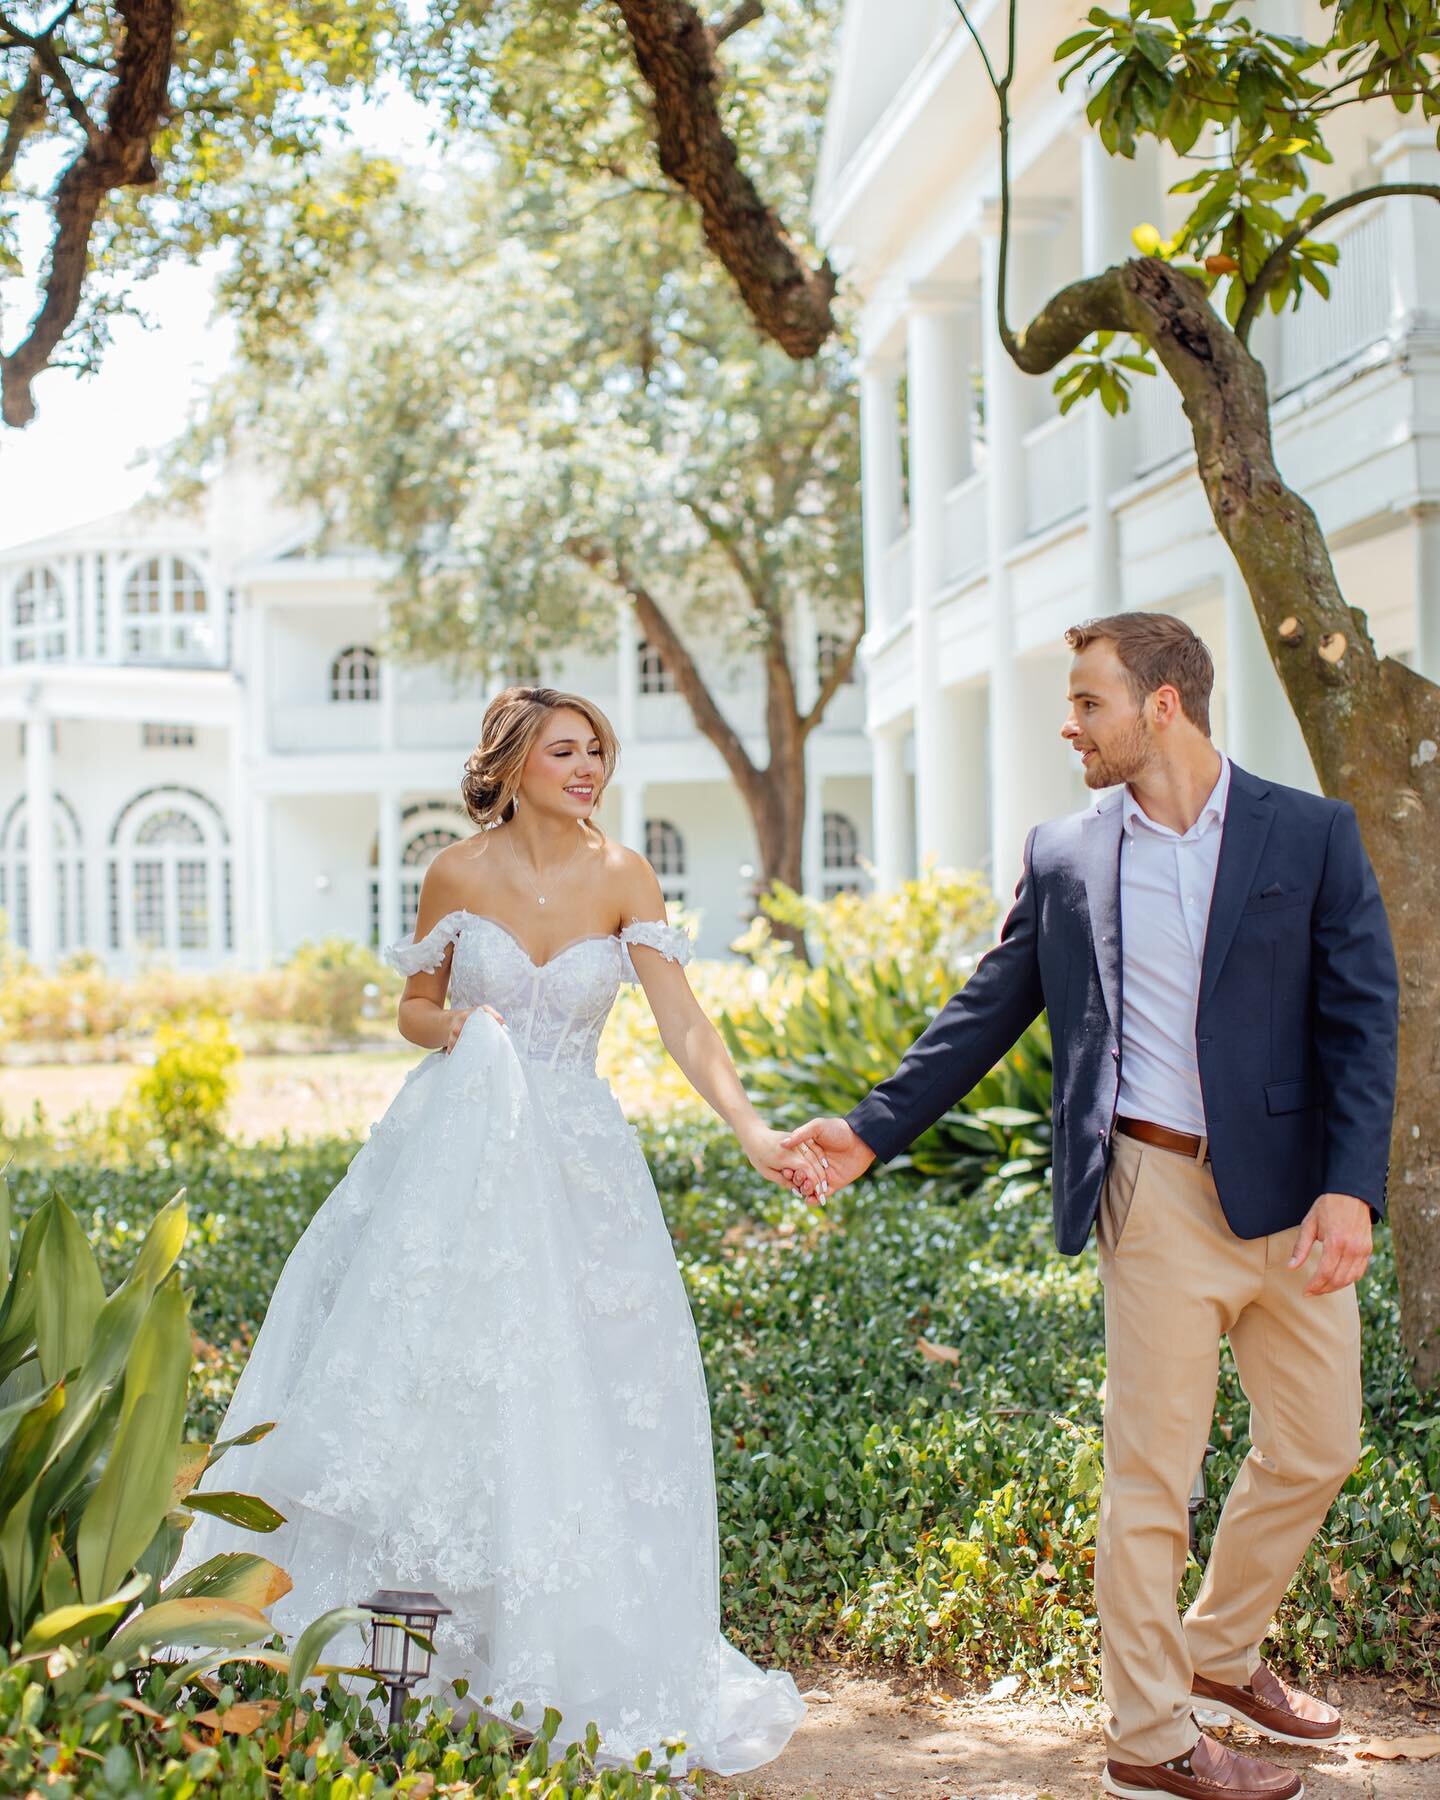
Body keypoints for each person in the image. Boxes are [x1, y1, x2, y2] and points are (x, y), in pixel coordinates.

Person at [781, 614, 1398, 1800]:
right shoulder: (1066, 850)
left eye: (1089, 702)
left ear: (1164, 703)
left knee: (1319, 1447)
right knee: (1149, 1477)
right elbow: (989, 1004)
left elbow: (1362, 1020)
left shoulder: (1309, 833)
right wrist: (867, 1131)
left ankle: (1217, 1651)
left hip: (1291, 1200)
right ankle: (1151, 1736)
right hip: (1152, 1192)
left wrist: (1350, 1188)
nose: (1070, 725)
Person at [179, 685, 808, 1775]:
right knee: (435, 1390)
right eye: (566, 751)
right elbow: (412, 1008)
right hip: (455, 1159)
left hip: (578, 1166)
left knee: (582, 1400)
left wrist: (753, 1129)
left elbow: (682, 1022)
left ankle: (549, 1663)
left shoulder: (624, 875)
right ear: (514, 764)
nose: (589, 768)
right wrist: (455, 1023)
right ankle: (399, 1657)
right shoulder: (456, 874)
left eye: (598, 752)